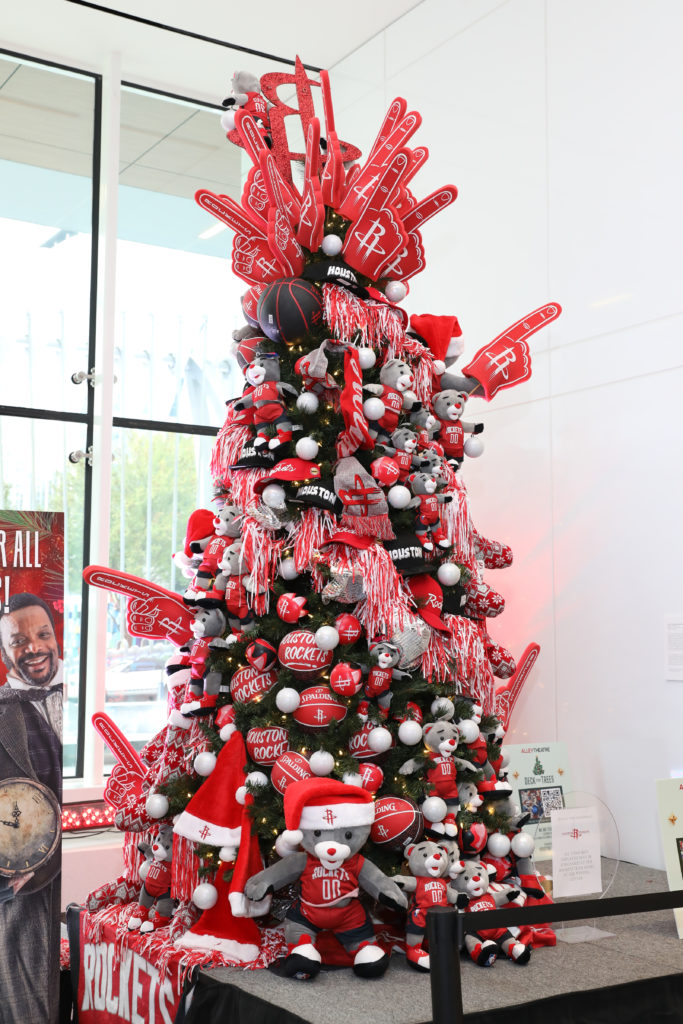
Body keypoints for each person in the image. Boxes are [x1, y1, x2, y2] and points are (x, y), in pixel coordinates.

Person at [0, 593, 63, 1024]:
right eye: (19, 641)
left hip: (63, 880)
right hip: (16, 896)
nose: (34, 647)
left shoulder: (75, 697)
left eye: (42, 634)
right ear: (4, 652)